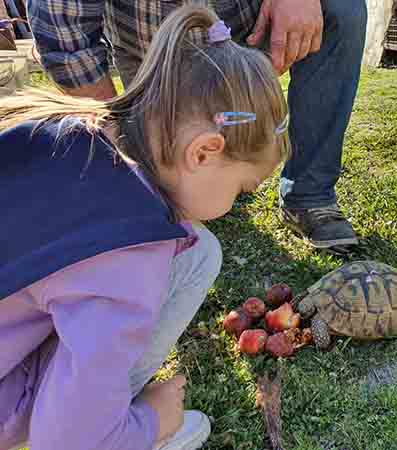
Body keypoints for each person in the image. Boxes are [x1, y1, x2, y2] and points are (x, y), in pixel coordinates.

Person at [0, 6, 289, 450]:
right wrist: (152, 419)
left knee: (199, 249)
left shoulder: (68, 129)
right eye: (243, 188)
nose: (236, 205)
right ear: (203, 153)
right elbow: (64, 442)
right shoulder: (128, 258)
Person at [27, 0, 368, 254]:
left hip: (250, 20)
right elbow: (62, 35)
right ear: (204, 152)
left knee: (343, 7)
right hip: (146, 40)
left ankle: (308, 194)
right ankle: (172, 192)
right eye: (242, 191)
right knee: (168, 189)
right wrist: (118, 150)